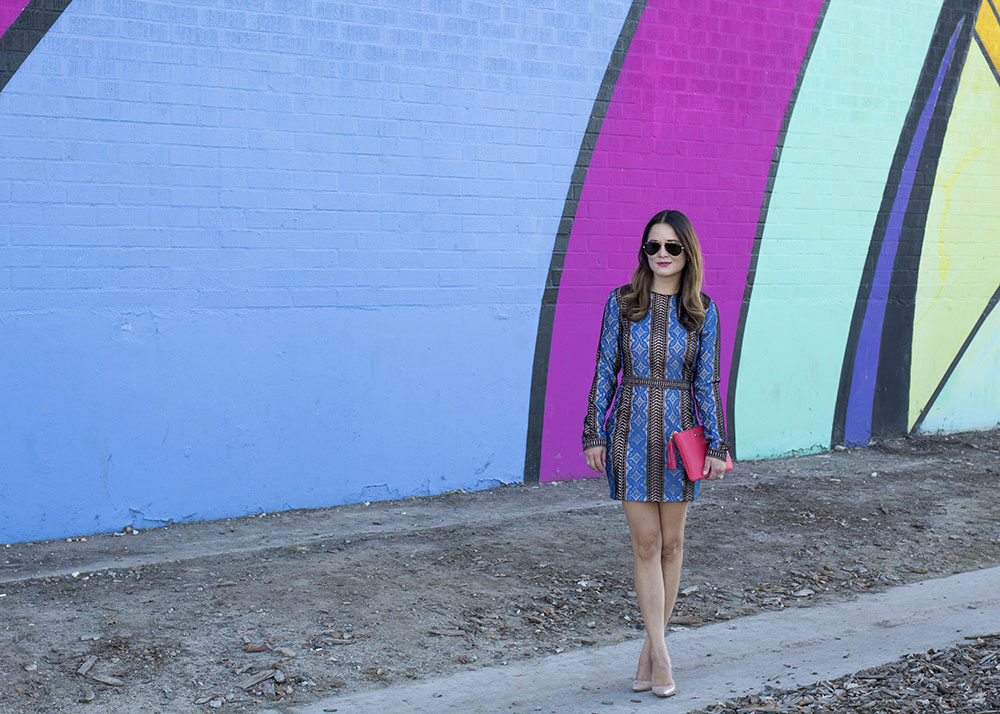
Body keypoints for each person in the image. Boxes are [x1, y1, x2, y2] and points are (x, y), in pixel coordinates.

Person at [582, 209, 729, 698]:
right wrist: (593, 433)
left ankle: (649, 650)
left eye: (671, 247)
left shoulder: (704, 312)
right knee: (645, 545)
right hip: (630, 433)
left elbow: (707, 383)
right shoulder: (621, 304)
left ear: (688, 253)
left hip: (679, 438)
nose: (661, 255)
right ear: (643, 252)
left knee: (672, 546)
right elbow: (605, 368)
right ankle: (662, 656)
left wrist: (717, 443)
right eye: (653, 246)